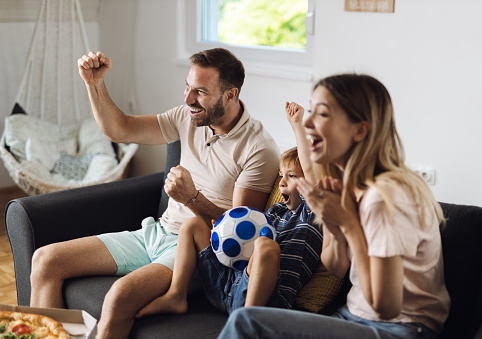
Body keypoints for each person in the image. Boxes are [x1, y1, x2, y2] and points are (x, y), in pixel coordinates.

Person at [29, 48, 280, 339]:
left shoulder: (259, 149)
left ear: (230, 94)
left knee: (119, 296)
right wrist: (94, 84)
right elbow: (120, 129)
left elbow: (240, 237)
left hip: (195, 253)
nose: (188, 99)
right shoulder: (188, 117)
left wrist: (192, 199)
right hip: (155, 232)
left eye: (200, 91)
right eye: (187, 87)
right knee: (46, 260)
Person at [217, 74, 451, 339]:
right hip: (353, 316)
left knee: (247, 322)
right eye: (311, 111)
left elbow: (386, 307)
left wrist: (350, 225)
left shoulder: (386, 197)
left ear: (360, 130)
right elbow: (336, 266)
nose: (308, 122)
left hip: (400, 327)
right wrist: (335, 227)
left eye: (323, 114)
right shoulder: (343, 188)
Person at [135, 102, 323, 318]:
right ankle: (176, 295)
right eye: (281, 175)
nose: (281, 183)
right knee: (194, 225)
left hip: (268, 299)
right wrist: (224, 231)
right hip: (228, 284)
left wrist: (297, 125)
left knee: (266, 246)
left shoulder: (314, 213)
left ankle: (246, 323)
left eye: (292, 176)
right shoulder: (276, 211)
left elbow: (311, 172)